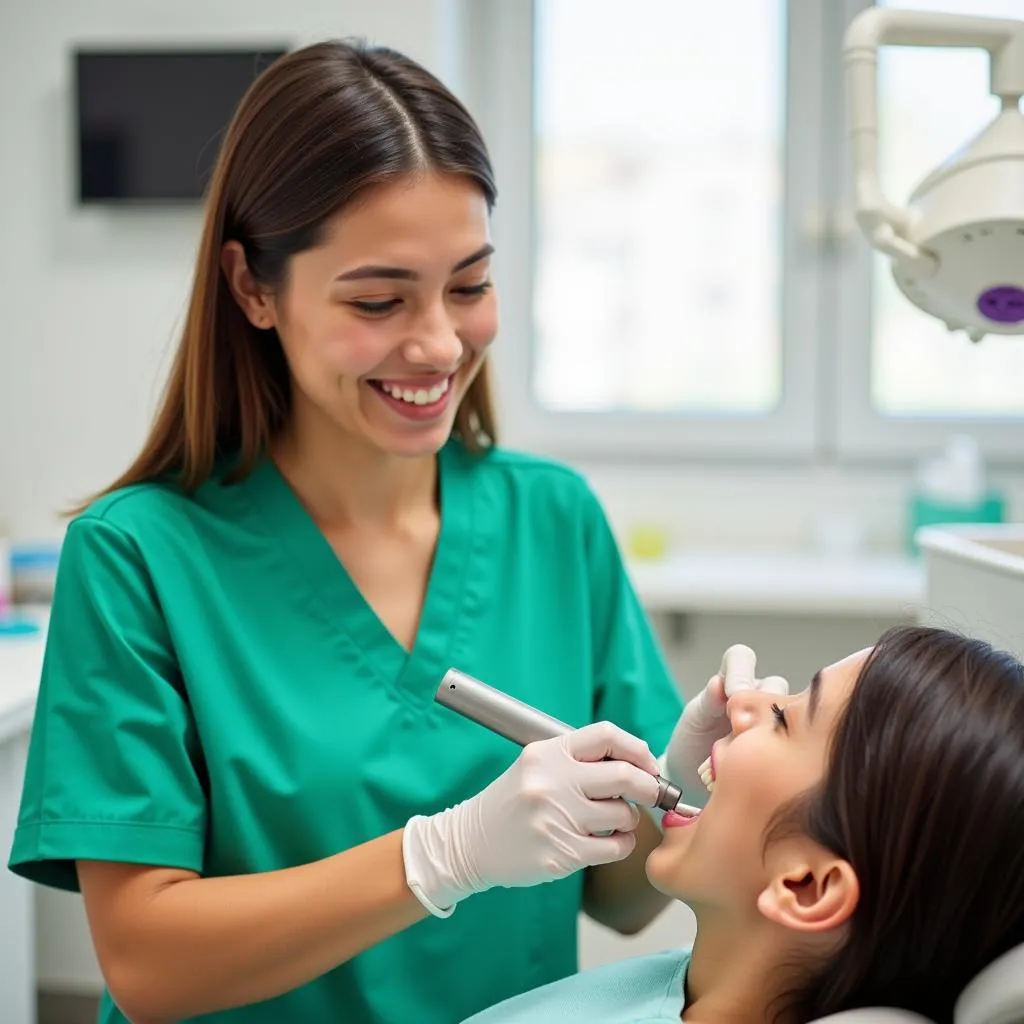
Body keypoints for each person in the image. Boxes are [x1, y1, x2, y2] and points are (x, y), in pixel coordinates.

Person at [6, 39, 787, 1024]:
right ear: (252, 287)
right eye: (378, 301)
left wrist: (680, 788)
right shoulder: (140, 557)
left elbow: (624, 900)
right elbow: (147, 967)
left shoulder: (551, 519)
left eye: (468, 286)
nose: (436, 343)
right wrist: (441, 855)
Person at [462, 624, 1024, 1024]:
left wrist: (446, 857)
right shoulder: (690, 986)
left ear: (806, 887)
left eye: (784, 718)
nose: (745, 701)